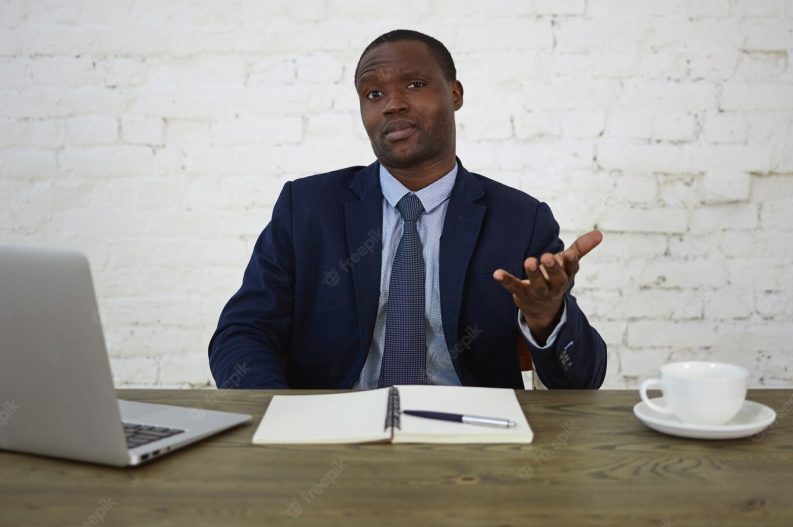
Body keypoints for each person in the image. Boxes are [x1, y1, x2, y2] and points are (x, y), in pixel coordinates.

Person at [209, 29, 606, 390]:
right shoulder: (307, 208)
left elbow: (581, 380)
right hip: (332, 435)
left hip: (472, 441)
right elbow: (243, 331)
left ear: (455, 94)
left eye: (414, 85)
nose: (392, 105)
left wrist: (547, 318)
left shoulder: (520, 220)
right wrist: (281, 416)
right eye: (373, 94)